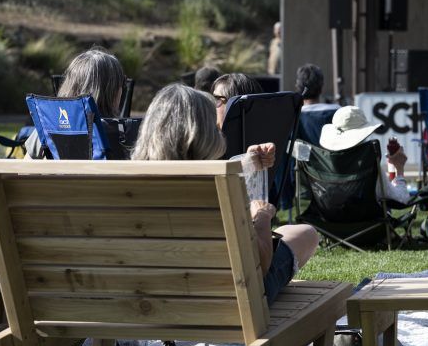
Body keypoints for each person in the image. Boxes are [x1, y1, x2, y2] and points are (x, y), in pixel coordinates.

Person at [131, 83, 318, 305]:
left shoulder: (127, 184)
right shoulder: (216, 186)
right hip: (227, 304)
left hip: (148, 300)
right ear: (201, 134)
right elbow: (260, 264)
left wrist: (246, 164)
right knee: (305, 233)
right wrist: (262, 218)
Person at [24, 48, 126, 159]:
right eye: (121, 83)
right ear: (112, 91)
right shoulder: (121, 135)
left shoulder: (48, 126)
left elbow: (23, 169)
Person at [319, 105, 411, 204]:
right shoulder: (368, 163)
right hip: (365, 217)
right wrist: (399, 168)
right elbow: (401, 199)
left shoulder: (322, 162)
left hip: (326, 216)